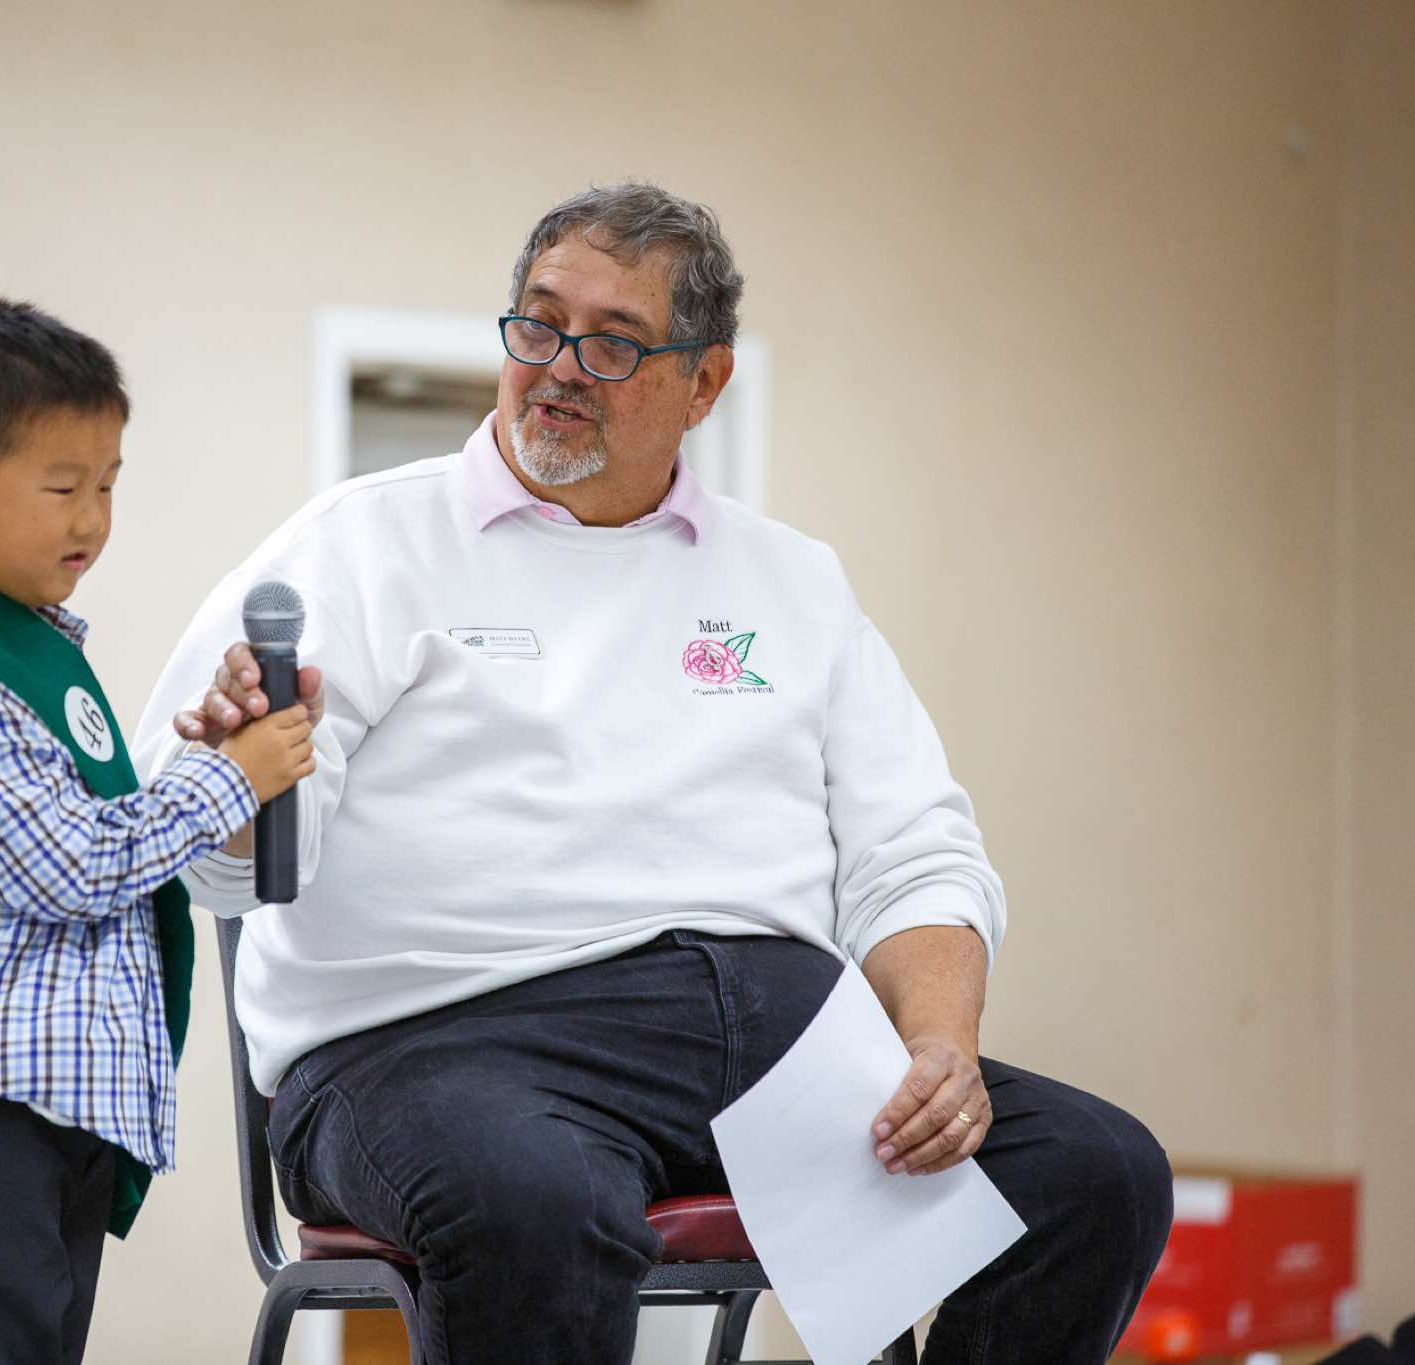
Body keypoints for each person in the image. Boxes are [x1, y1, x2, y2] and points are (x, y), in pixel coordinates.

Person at [132, 185, 1173, 1363]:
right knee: (536, 1199)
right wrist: (235, 786)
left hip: (778, 1061)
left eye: (613, 343)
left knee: (1095, 1173)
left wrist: (936, 1045)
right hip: (439, 1051)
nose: (560, 366)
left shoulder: (791, 582)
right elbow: (219, 866)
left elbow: (914, 851)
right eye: (538, 324)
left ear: (703, 383)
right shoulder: (357, 546)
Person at [0, 299, 316, 1365]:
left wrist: (219, 758)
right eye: (63, 488)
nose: (94, 519)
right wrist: (229, 776)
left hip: (56, 1126)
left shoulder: (33, 659)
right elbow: (74, 867)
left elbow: (106, 844)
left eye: (108, 484)